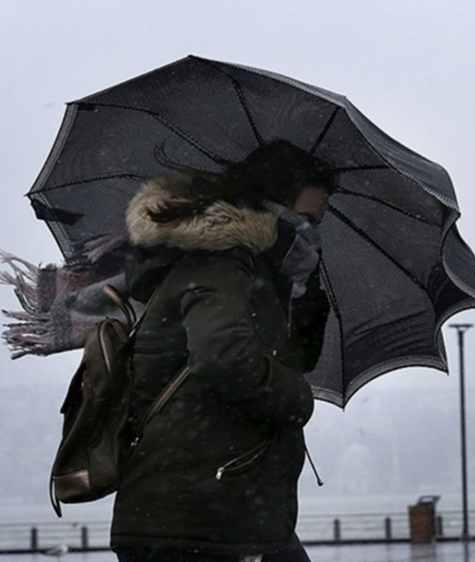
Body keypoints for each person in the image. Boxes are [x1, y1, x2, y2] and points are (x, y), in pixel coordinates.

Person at [110, 140, 334, 562]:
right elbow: (223, 356)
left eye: (317, 224)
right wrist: (298, 399)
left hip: (228, 506)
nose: (311, 235)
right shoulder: (221, 263)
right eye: (304, 220)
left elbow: (295, 358)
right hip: (195, 514)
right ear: (271, 207)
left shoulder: (263, 277)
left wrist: (306, 294)